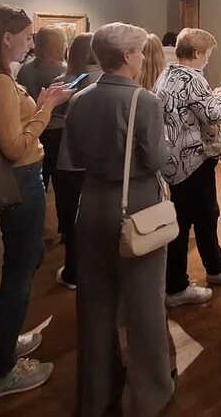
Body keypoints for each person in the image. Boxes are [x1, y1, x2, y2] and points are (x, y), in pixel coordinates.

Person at [0, 5, 71, 401]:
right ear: (6, 37)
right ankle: (1, 371)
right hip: (19, 180)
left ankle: (0, 345)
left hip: (14, 180)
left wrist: (38, 104)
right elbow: (16, 146)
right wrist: (47, 109)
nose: (30, 44)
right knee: (21, 271)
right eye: (26, 37)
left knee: (23, 264)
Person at [67, 23, 176, 416]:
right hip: (136, 206)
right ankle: (151, 393)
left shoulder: (79, 99)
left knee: (95, 304)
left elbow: (73, 158)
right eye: (140, 52)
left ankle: (97, 393)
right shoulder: (144, 101)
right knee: (145, 304)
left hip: (92, 203)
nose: (143, 58)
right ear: (128, 56)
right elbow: (158, 159)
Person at [155, 28, 221, 307]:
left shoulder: (167, 73)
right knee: (204, 218)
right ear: (196, 53)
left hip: (174, 162)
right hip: (193, 162)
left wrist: (216, 92)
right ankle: (185, 283)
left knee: (187, 219)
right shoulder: (192, 78)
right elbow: (213, 114)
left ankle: (193, 275)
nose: (208, 60)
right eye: (207, 55)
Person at [51, 32, 101, 290]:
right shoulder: (104, 82)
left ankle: (73, 271)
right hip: (98, 160)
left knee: (71, 218)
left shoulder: (62, 82)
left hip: (70, 159)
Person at [17, 26, 67, 190]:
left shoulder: (25, 69)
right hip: (57, 129)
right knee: (60, 181)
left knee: (38, 178)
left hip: (32, 127)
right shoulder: (63, 70)